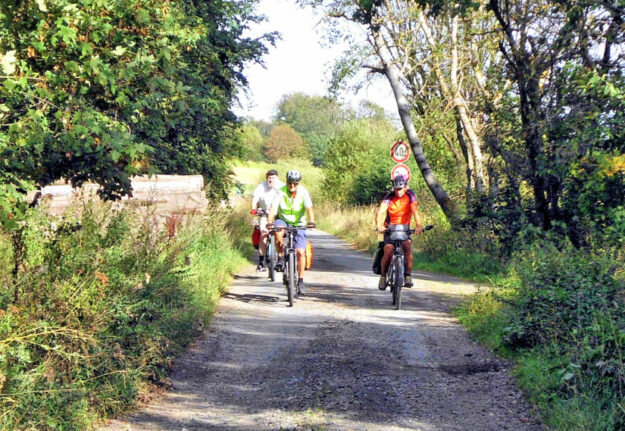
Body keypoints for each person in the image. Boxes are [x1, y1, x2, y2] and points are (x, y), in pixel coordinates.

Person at [267, 169, 315, 295]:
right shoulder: (280, 191)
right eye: (290, 183)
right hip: (283, 221)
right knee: (277, 232)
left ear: (299, 183)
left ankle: (300, 281)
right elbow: (273, 209)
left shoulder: (304, 192)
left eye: (295, 183)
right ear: (287, 182)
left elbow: (309, 208)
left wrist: (312, 221)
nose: (292, 186)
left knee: (300, 251)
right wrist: (270, 221)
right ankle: (281, 257)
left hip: (299, 223)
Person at [375, 174, 424, 290]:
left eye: (401, 189)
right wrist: (379, 226)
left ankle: (407, 276)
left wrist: (418, 225)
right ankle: (383, 276)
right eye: (396, 189)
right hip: (390, 228)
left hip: (404, 229)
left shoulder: (410, 196)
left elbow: (415, 211)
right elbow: (381, 212)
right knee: (388, 250)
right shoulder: (389, 197)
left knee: (407, 247)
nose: (399, 192)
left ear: (406, 187)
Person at [250, 169, 284, 271]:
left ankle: (280, 258)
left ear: (277, 178)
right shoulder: (261, 186)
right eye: (268, 177)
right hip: (264, 213)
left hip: (278, 215)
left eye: (273, 178)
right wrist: (253, 209)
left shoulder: (282, 187)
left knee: (279, 235)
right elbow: (255, 198)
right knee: (263, 234)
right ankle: (261, 262)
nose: (270, 180)